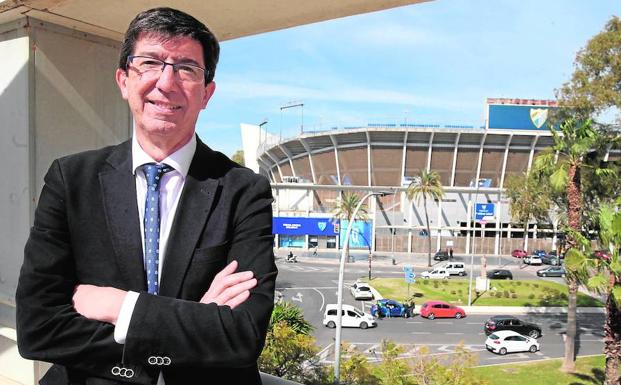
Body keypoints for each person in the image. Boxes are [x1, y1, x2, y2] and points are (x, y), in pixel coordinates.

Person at [15, 7, 276, 385]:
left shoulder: (243, 189)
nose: (166, 82)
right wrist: (192, 322)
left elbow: (241, 334)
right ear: (123, 80)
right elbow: (39, 326)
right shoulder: (71, 179)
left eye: (187, 68)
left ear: (207, 93)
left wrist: (120, 307)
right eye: (150, 62)